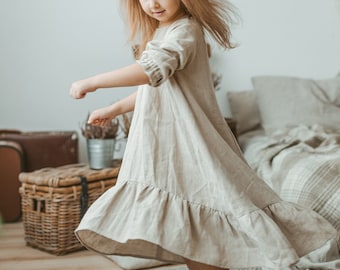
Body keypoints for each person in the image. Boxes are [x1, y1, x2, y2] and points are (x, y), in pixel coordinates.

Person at [70, 1, 338, 269]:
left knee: (207, 216)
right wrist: (115, 108)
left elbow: (150, 70)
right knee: (191, 230)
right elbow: (152, 88)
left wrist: (92, 82)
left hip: (191, 141)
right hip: (168, 146)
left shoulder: (186, 30)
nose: (153, 4)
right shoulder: (160, 31)